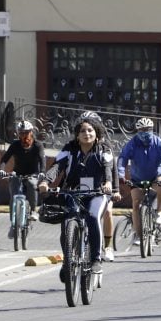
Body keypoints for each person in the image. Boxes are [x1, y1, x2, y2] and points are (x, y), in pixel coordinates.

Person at [42, 115, 113, 279]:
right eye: (82, 131)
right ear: (77, 134)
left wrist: (108, 183)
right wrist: (46, 181)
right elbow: (57, 166)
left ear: (96, 132)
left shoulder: (104, 149)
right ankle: (67, 260)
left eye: (90, 130)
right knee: (67, 222)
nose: (86, 133)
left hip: (97, 192)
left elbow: (108, 167)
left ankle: (95, 260)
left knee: (93, 216)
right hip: (73, 191)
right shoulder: (69, 148)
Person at [117, 117, 161, 244]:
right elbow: (122, 159)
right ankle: (138, 236)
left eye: (148, 129)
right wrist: (121, 175)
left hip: (156, 175)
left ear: (152, 130)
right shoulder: (131, 144)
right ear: (137, 131)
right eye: (142, 130)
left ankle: (159, 211)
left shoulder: (159, 143)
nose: (145, 132)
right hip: (137, 177)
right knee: (136, 204)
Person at [0, 119, 46, 238]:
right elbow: (5, 158)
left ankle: (33, 211)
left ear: (31, 132)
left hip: (33, 174)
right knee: (14, 194)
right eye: (21, 133)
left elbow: (42, 160)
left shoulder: (37, 145)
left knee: (31, 184)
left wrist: (42, 172)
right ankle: (13, 225)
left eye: (26, 132)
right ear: (18, 134)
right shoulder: (15, 145)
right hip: (18, 173)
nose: (24, 135)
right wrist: (1, 169)